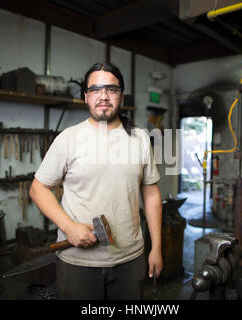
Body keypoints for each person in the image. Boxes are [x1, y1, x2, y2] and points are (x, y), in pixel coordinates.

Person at [29, 62, 163, 300]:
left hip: (130, 260)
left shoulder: (140, 138)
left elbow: (151, 193)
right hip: (78, 262)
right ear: (85, 96)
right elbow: (38, 189)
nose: (103, 96)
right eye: (95, 89)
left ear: (121, 95)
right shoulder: (68, 139)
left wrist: (157, 248)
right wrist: (69, 227)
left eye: (111, 89)